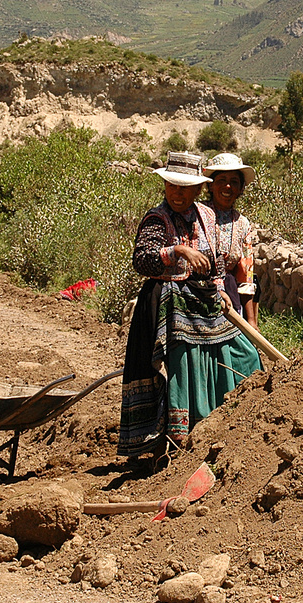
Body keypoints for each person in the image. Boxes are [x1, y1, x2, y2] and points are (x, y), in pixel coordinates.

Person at [118, 151, 262, 460]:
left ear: (198, 190)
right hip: (165, 306)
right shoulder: (157, 218)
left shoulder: (206, 217)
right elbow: (142, 260)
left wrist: (220, 288)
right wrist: (178, 251)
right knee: (179, 366)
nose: (178, 193)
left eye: (186, 188)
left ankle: (224, 426)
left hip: (202, 299)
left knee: (244, 354)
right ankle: (170, 446)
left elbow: (215, 262)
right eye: (173, 186)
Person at [202, 151, 259, 329]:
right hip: (197, 291)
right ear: (210, 186)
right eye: (221, 180)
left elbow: (245, 273)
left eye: (234, 182)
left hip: (229, 295)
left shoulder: (242, 224)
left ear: (241, 188)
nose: (228, 186)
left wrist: (251, 321)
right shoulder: (196, 214)